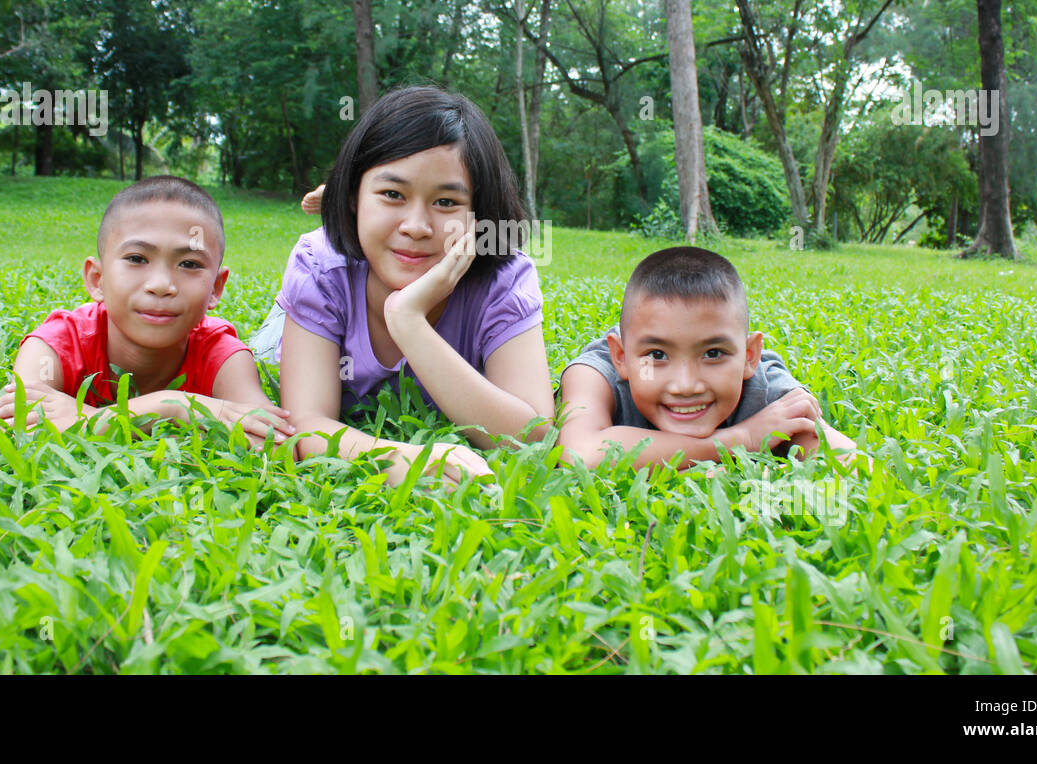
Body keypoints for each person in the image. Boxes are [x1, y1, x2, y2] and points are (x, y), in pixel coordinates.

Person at [267, 86, 554, 487]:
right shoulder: (320, 265)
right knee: (265, 348)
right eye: (392, 194)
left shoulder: (504, 280)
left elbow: (533, 439)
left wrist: (409, 321)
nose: (416, 227)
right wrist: (406, 461)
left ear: (479, 213)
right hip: (293, 322)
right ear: (353, 198)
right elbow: (306, 427)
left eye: (446, 203)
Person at [0, 175, 295, 450]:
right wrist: (186, 413)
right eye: (136, 258)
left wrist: (165, 407)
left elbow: (278, 448)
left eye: (189, 264)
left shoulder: (220, 354)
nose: (161, 285)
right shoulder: (57, 345)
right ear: (97, 280)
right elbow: (1, 437)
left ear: (216, 288)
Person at [558, 246, 856, 470]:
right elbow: (579, 455)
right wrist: (742, 439)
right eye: (657, 355)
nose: (686, 385)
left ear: (750, 356)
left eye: (713, 354)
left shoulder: (766, 385)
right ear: (621, 357)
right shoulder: (595, 374)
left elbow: (851, 466)